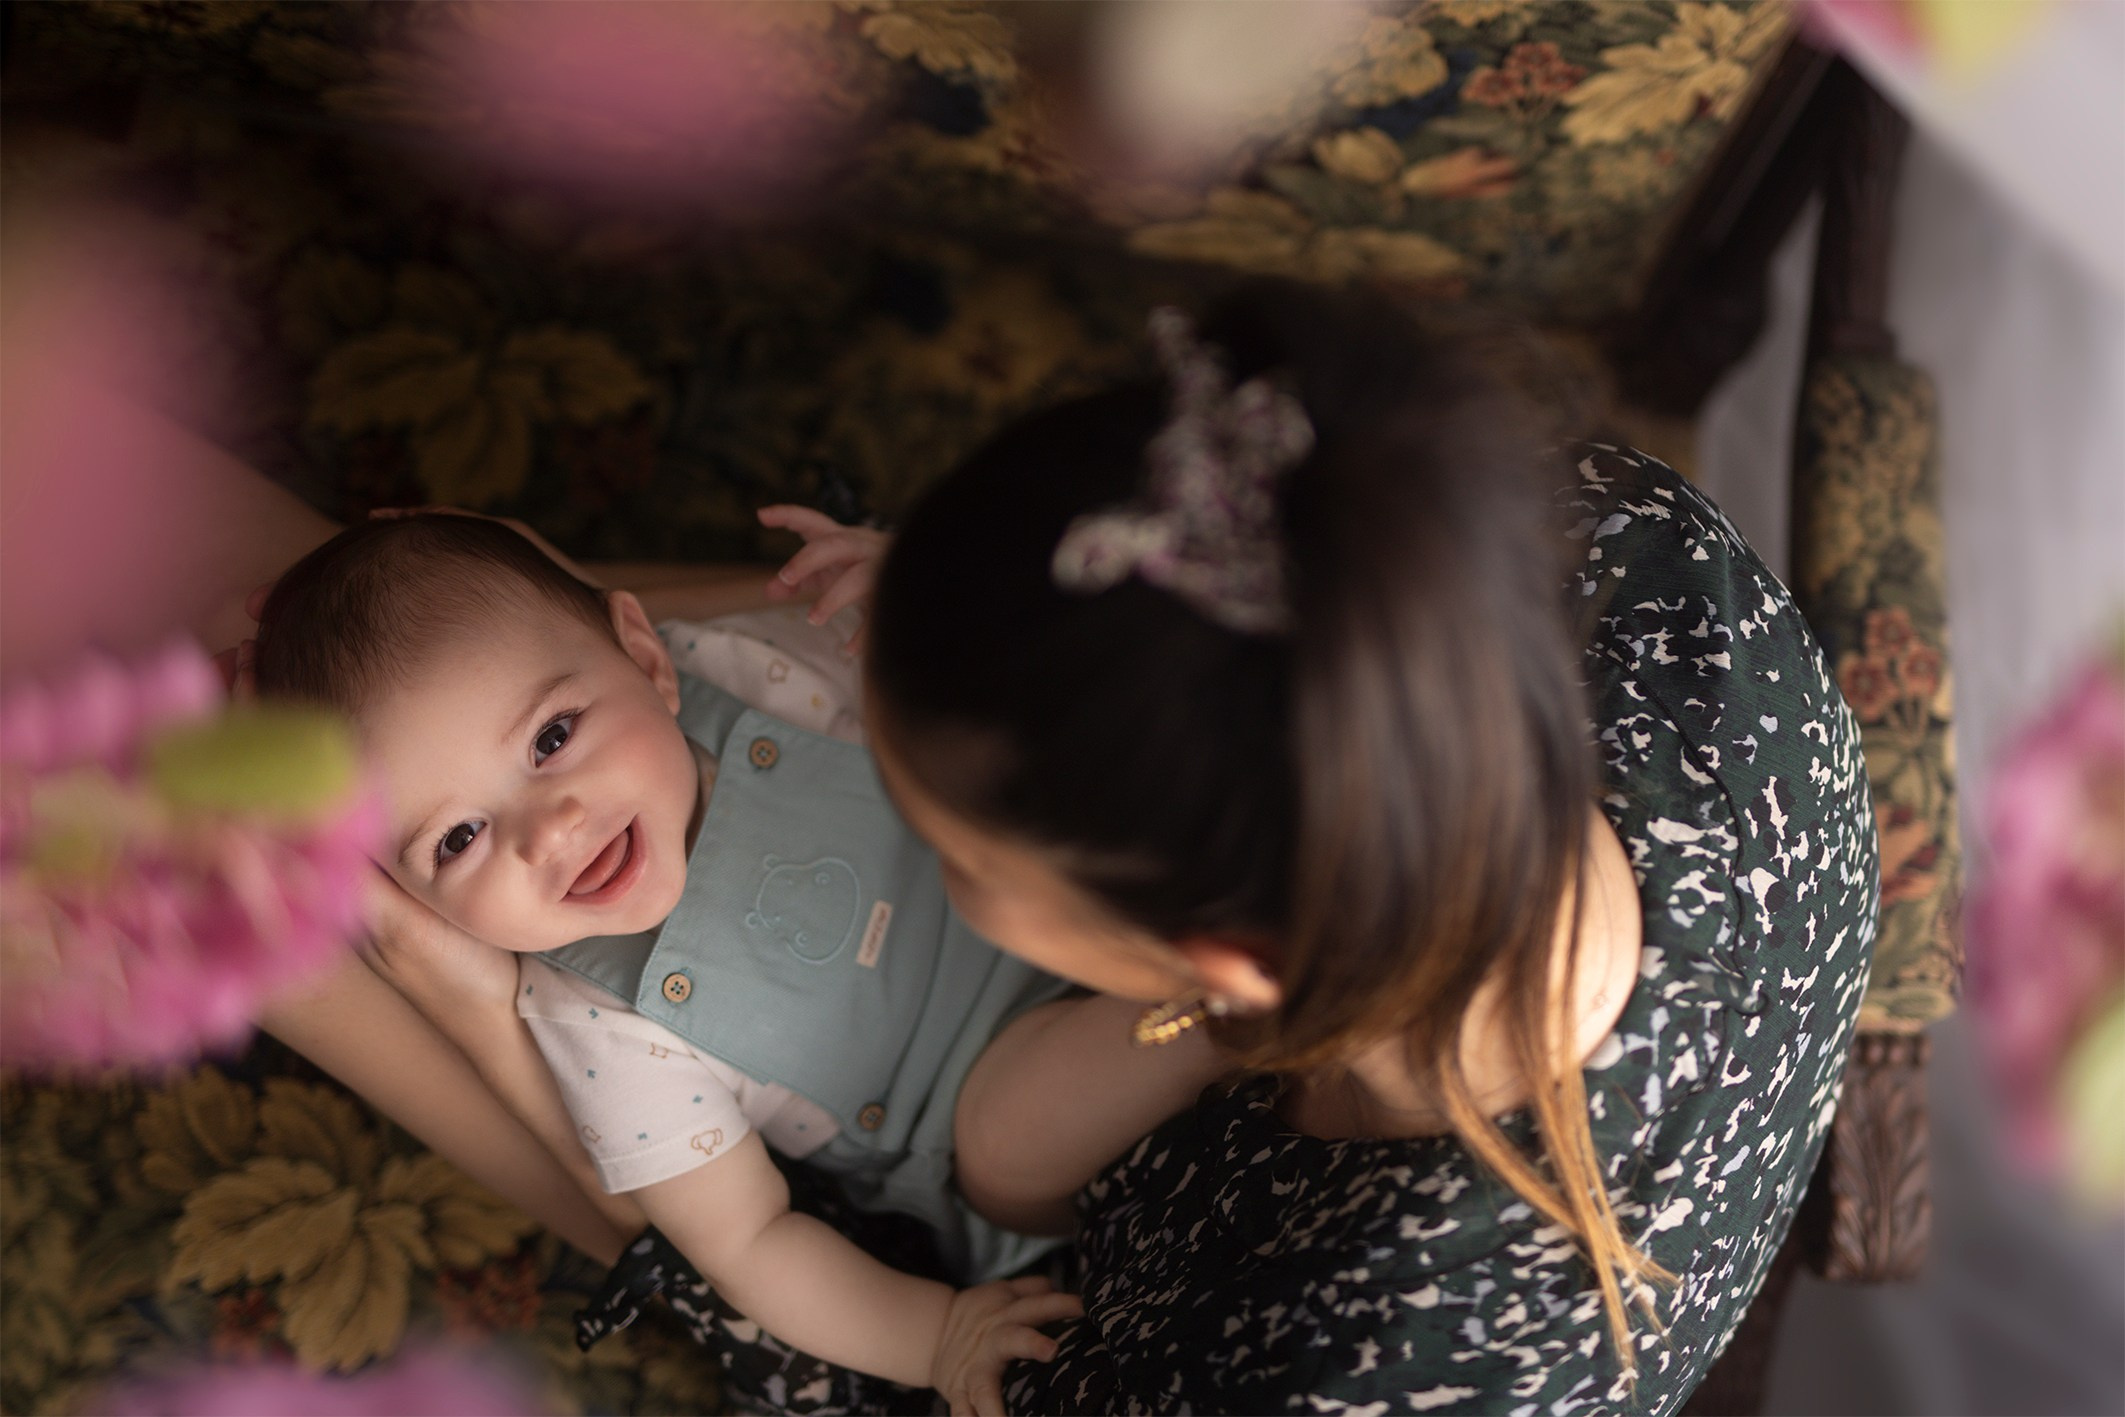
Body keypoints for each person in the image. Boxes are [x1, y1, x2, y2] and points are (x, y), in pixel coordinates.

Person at [821, 286, 1881, 1413]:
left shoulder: (1333, 1365)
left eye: (962, 859)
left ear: (1231, 963)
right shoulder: (1648, 570)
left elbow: (999, 1232)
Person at [242, 511, 1225, 1413]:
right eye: (458, 839)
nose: (550, 830)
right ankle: (1241, 1004)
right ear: (411, 900)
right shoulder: (600, 1026)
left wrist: (926, 595)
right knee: (1008, 1135)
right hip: (997, 1090)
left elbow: (976, 690)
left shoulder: (754, 671)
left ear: (646, 660)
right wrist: (934, 1334)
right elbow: (752, 1241)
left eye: (552, 737)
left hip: (1075, 881)